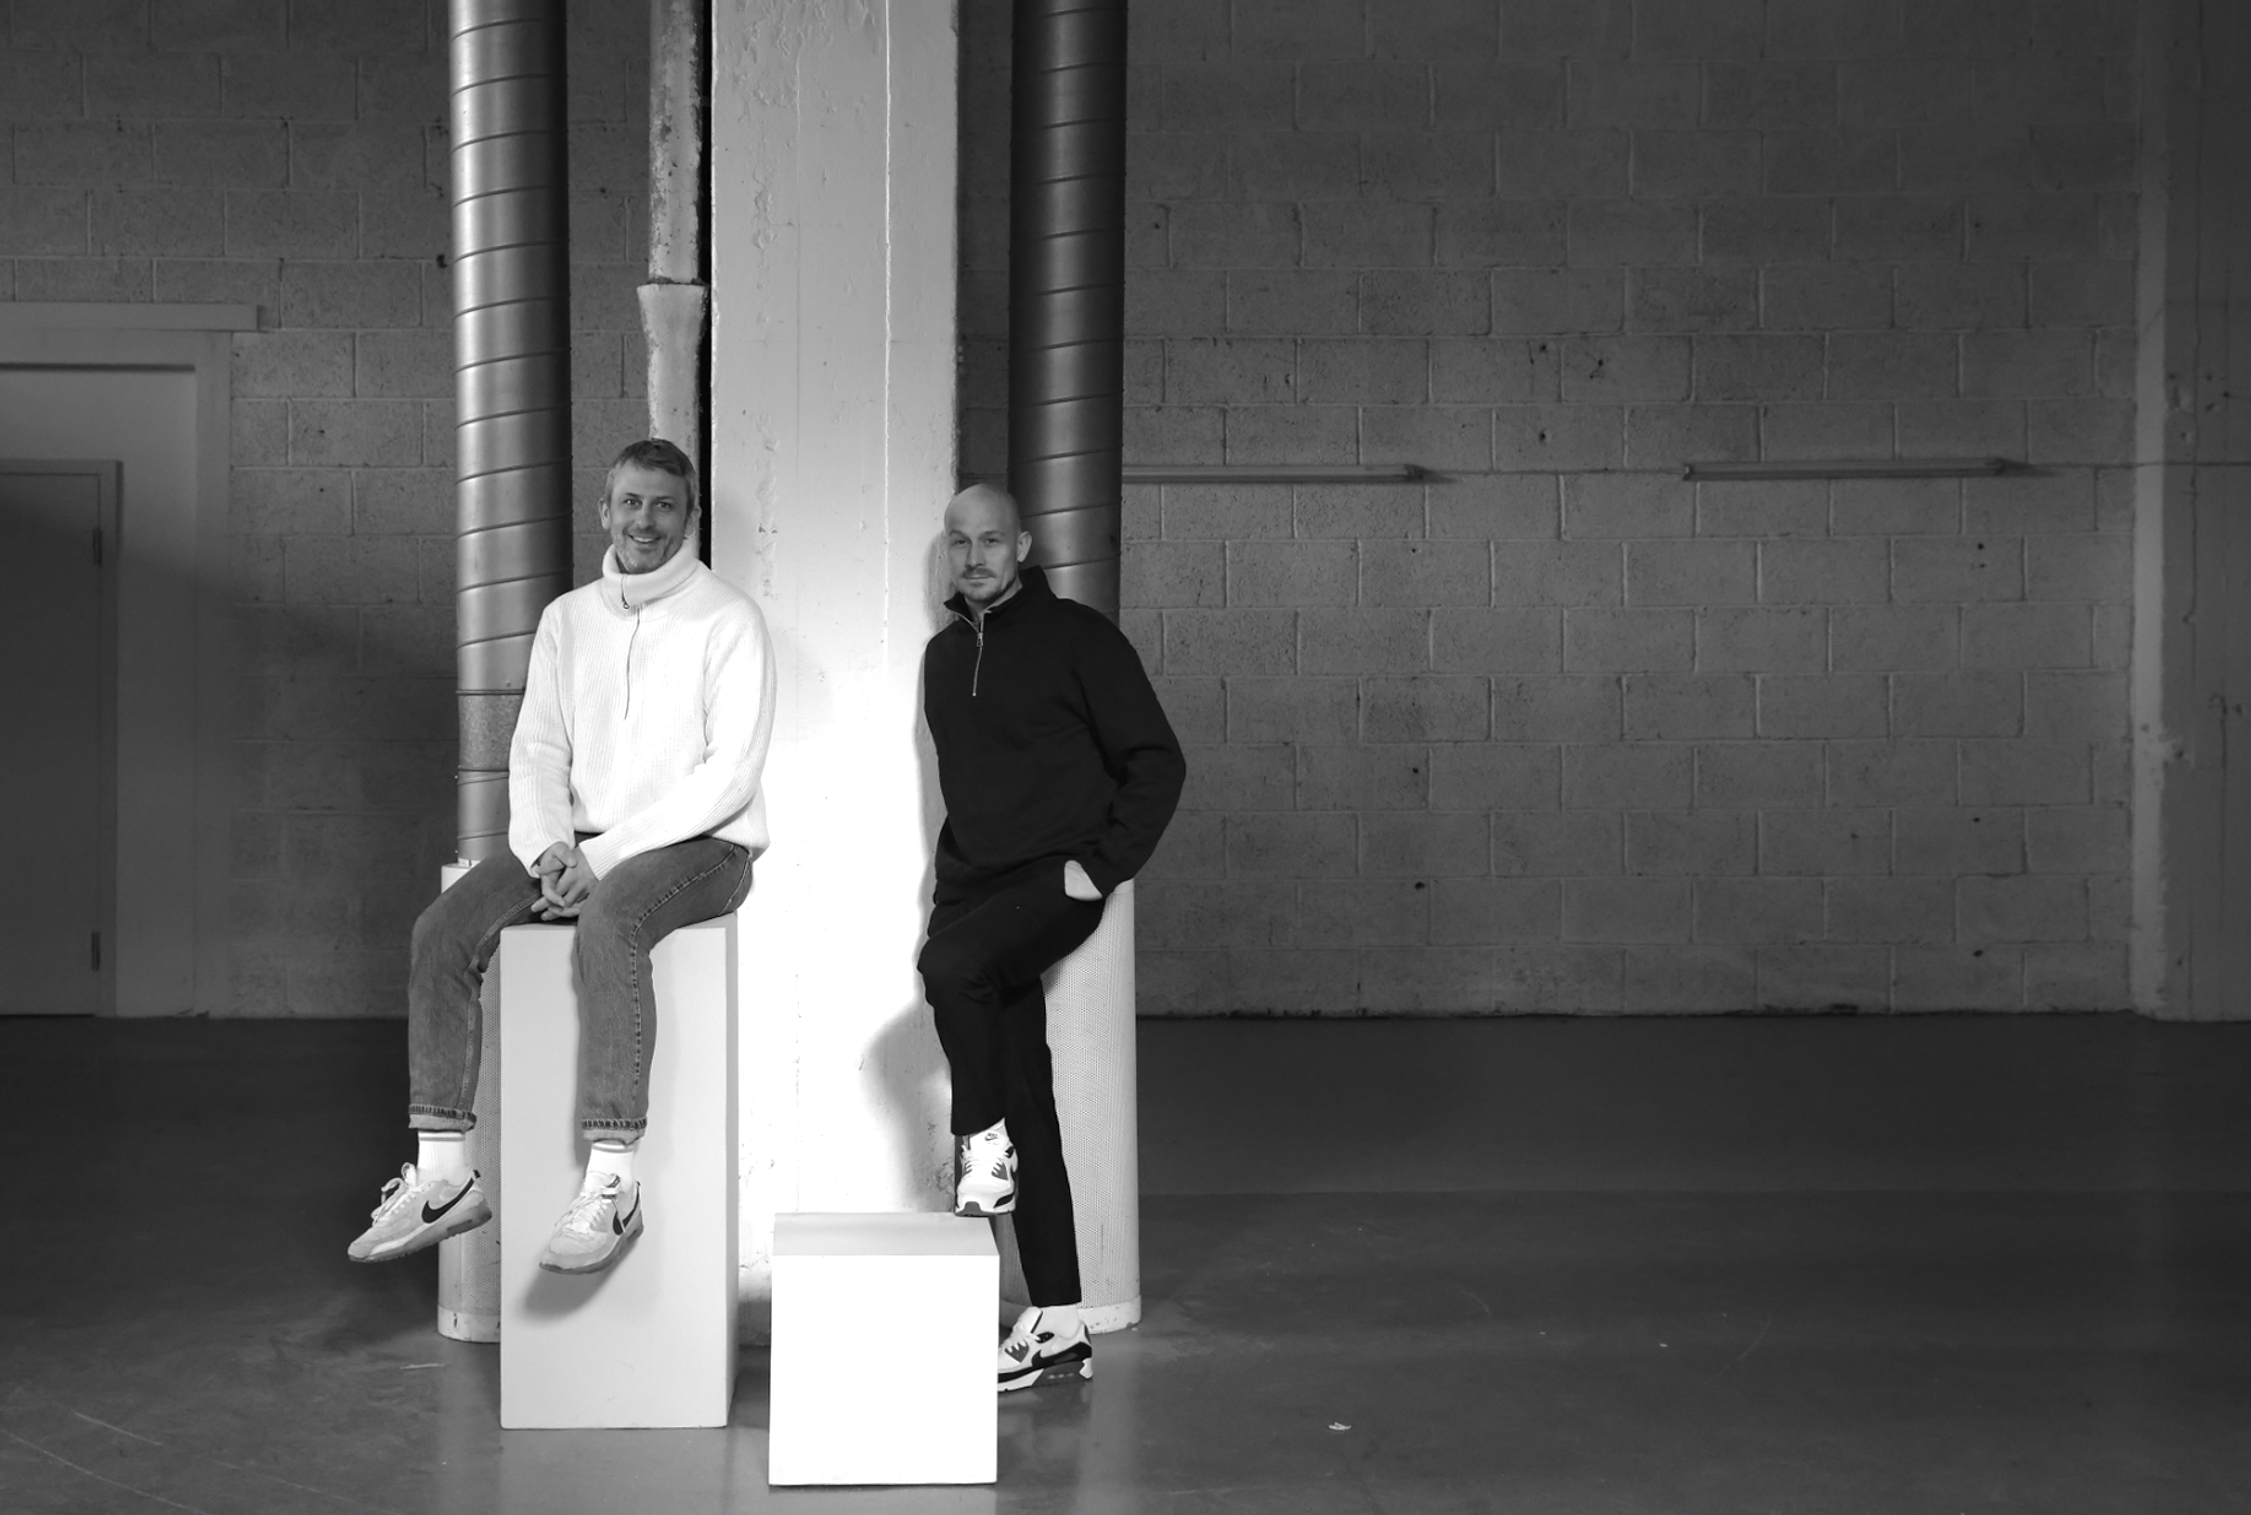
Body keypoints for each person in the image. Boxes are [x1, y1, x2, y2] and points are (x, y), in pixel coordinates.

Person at [347, 438, 776, 1277]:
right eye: (630, 502)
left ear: (689, 517)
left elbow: (728, 775)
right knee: (442, 929)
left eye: (664, 505)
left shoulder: (729, 619)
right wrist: (548, 846)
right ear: (604, 509)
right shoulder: (566, 618)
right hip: (576, 843)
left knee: (610, 921)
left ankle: (614, 1183)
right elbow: (538, 749)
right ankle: (443, 1173)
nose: (644, 521)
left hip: (705, 844)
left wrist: (602, 858)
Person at [917, 483, 1186, 1391]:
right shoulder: (942, 657)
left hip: (1053, 882)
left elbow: (1157, 759)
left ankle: (979, 1140)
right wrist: (951, 888)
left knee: (947, 969)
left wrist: (1100, 866)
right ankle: (1060, 1321)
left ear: (1023, 545)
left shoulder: (1079, 638)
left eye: (991, 539)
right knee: (1028, 1091)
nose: (974, 556)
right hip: (974, 890)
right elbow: (966, 788)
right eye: (959, 541)